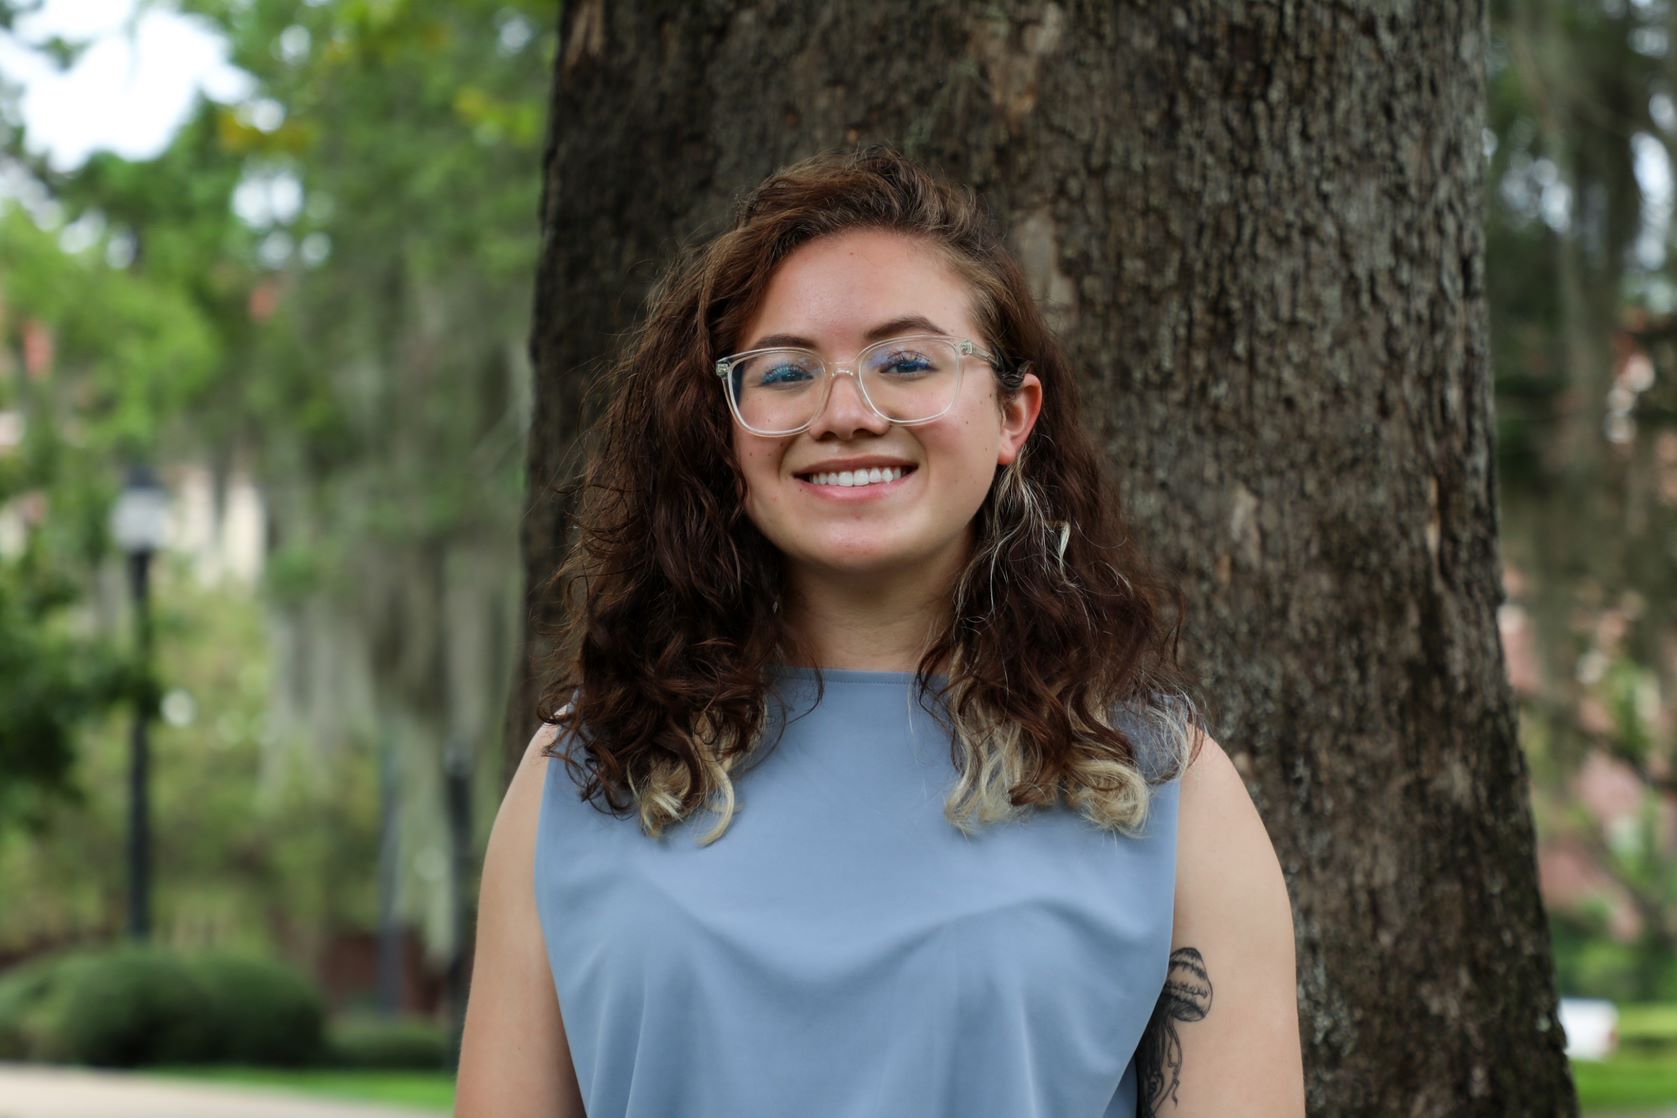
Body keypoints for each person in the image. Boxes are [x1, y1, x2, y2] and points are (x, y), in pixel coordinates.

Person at [455, 146, 1304, 1118]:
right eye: (785, 371)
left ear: (1013, 415)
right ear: (727, 429)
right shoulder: (582, 770)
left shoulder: (1162, 783)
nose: (847, 413)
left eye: (906, 361)